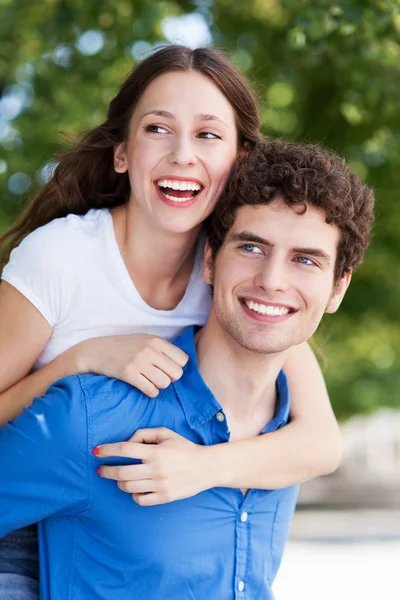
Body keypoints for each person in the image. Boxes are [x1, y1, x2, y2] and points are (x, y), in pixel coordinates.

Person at [0, 46, 341, 597]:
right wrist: (78, 362)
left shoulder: (239, 273)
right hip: (21, 523)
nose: (183, 154)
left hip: (134, 515)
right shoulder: (61, 259)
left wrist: (202, 468)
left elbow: (320, 442)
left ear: (240, 159)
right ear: (123, 154)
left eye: (208, 135)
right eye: (159, 128)